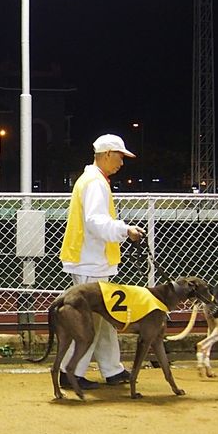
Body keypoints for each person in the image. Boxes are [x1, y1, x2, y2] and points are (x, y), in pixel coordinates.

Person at [57, 134, 146, 390]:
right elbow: (95, 222)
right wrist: (125, 230)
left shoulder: (93, 180)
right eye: (120, 156)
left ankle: (112, 370)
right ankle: (70, 372)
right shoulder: (95, 182)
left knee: (104, 319)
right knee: (89, 322)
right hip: (90, 262)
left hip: (89, 260)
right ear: (107, 154)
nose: (121, 162)